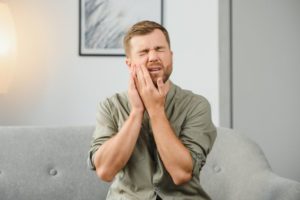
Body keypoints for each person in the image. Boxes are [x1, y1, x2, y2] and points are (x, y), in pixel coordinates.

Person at [88, 20, 217, 200]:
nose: (153, 56)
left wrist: (156, 110)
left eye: (159, 49)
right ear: (129, 63)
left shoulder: (196, 105)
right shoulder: (110, 106)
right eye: (143, 52)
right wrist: (136, 112)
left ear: (171, 56)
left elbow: (181, 173)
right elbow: (105, 171)